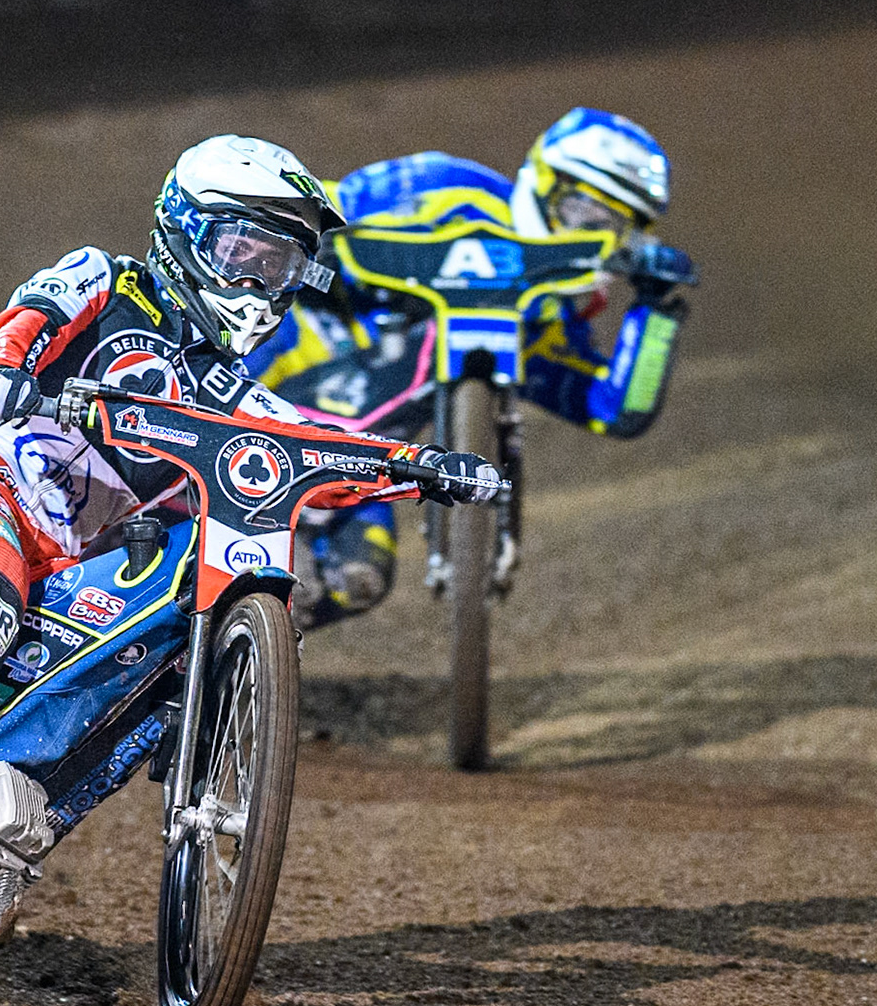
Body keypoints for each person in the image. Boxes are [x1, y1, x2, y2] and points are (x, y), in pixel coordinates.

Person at [0, 135, 499, 947]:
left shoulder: (237, 395)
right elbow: (32, 315)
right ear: (186, 231)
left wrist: (426, 467)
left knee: (149, 673)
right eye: (242, 252)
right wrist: (7, 365)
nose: (259, 284)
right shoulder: (106, 280)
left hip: (68, 557)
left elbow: (318, 448)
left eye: (281, 266)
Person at [242, 108, 698, 628]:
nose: (591, 234)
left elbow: (615, 408)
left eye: (614, 228)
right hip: (259, 381)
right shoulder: (445, 182)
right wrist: (315, 233)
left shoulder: (546, 310)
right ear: (545, 183)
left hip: (348, 469)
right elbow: (317, 203)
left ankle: (229, 679)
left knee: (360, 578)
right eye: (583, 211)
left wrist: (655, 310)